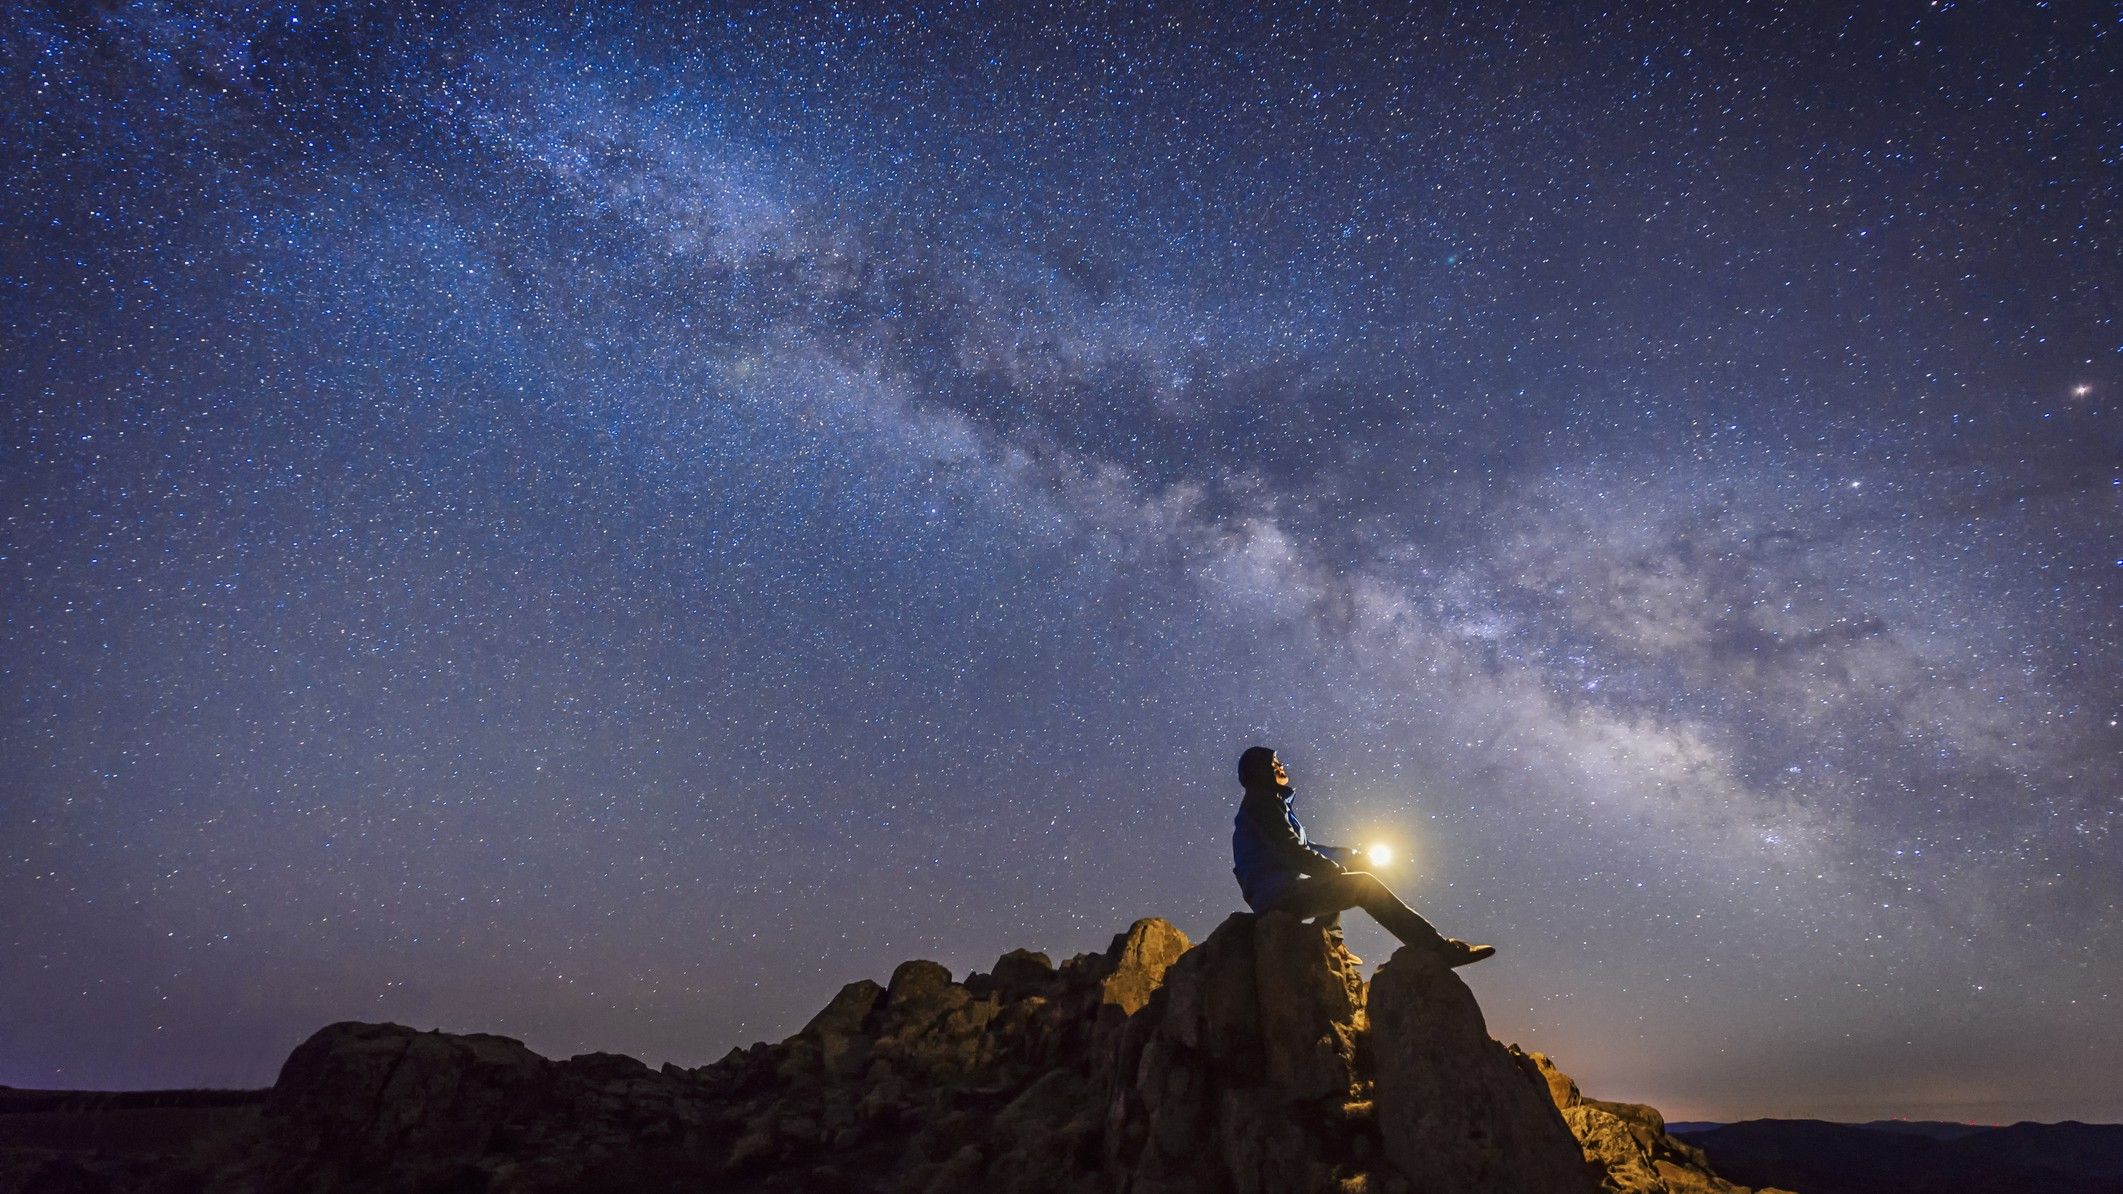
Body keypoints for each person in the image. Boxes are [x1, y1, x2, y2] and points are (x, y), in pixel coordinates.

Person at [1231, 746, 1494, 967]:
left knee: (1341, 869)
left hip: (1279, 890)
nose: (1281, 767)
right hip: (1276, 895)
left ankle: (1331, 940)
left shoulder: (1269, 804)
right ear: (1259, 770)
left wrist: (1350, 857)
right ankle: (1437, 948)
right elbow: (1291, 852)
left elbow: (1304, 847)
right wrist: (1335, 869)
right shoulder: (1262, 803)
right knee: (1362, 885)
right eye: (1274, 762)